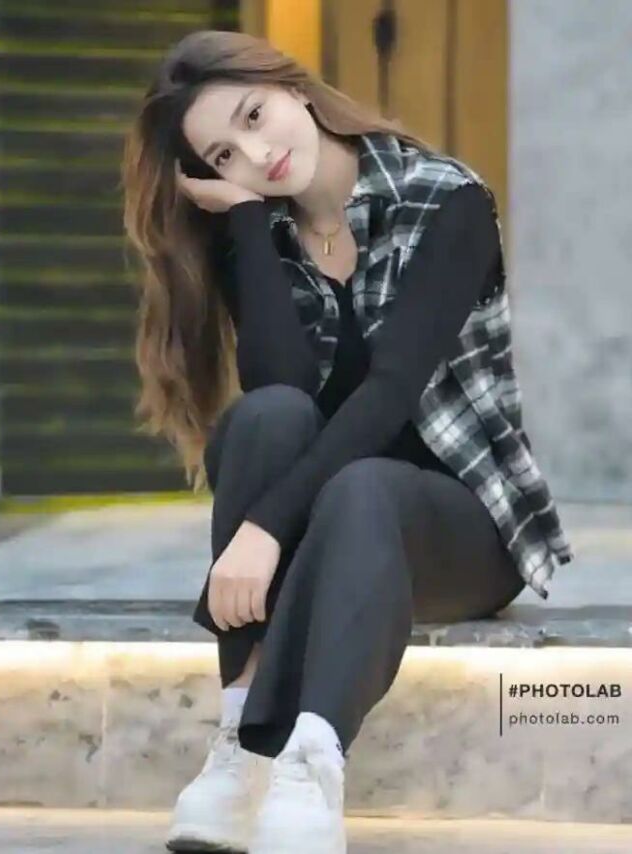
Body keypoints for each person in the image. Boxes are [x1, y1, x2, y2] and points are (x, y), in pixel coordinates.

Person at [121, 29, 574, 854]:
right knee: (264, 419)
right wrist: (249, 222)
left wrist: (264, 528)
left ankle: (312, 761)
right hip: (328, 518)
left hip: (459, 527)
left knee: (361, 486)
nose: (257, 154)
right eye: (224, 156)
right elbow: (283, 387)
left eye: (254, 116)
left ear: (292, 87)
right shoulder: (263, 232)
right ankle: (240, 742)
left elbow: (391, 393)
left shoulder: (447, 200)